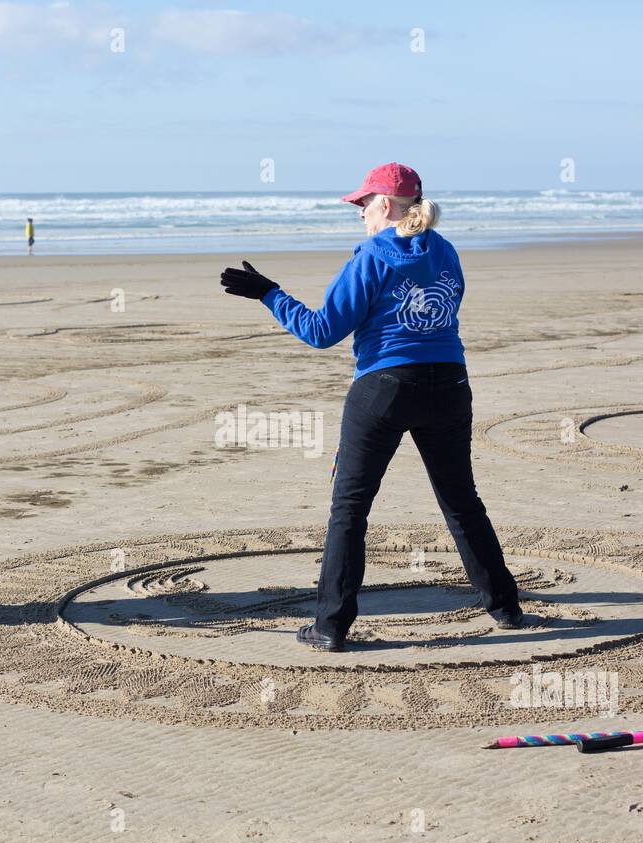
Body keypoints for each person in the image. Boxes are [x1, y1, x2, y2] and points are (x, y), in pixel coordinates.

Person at [220, 162, 522, 652]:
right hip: (450, 383)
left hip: (385, 387)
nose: (359, 214)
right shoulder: (445, 251)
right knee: (461, 500)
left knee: (350, 508)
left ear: (384, 204)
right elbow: (447, 309)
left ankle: (331, 626)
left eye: (363, 205)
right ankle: (505, 606)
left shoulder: (372, 255)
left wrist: (269, 294)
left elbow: (321, 332)